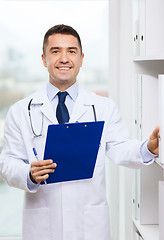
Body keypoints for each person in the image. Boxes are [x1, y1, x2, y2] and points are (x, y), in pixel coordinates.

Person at [0, 24, 159, 240]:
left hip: (90, 225)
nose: (64, 58)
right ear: (44, 59)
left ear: (81, 59)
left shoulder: (103, 107)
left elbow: (120, 147)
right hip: (43, 226)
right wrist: (28, 174)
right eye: (55, 51)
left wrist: (148, 148)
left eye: (71, 51)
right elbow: (8, 162)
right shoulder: (21, 111)